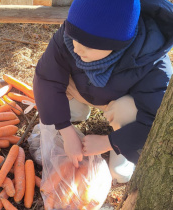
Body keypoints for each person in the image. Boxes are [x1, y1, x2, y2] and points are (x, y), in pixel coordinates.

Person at [33, 0, 173, 183]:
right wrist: (66, 131)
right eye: (72, 37)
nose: (76, 48)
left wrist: (108, 142)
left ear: (117, 44)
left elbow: (154, 121)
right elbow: (46, 78)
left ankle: (121, 151)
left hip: (116, 100)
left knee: (128, 115)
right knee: (54, 78)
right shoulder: (74, 36)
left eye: (88, 45)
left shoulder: (153, 63)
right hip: (81, 89)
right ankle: (75, 111)